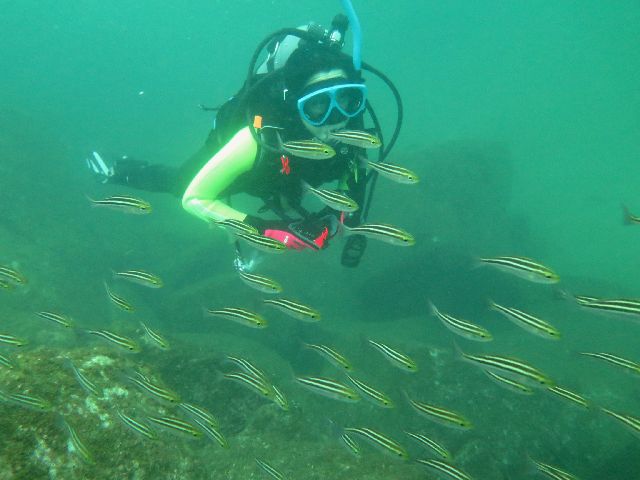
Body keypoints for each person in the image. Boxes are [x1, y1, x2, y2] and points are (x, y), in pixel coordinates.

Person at [87, 11, 402, 268]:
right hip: (257, 172)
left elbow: (354, 181)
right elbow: (194, 199)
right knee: (181, 182)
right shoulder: (255, 139)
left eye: (347, 100)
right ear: (296, 105)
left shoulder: (352, 130)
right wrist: (265, 230)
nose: (336, 118)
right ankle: (119, 170)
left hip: (292, 176)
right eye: (317, 105)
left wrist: (337, 217)